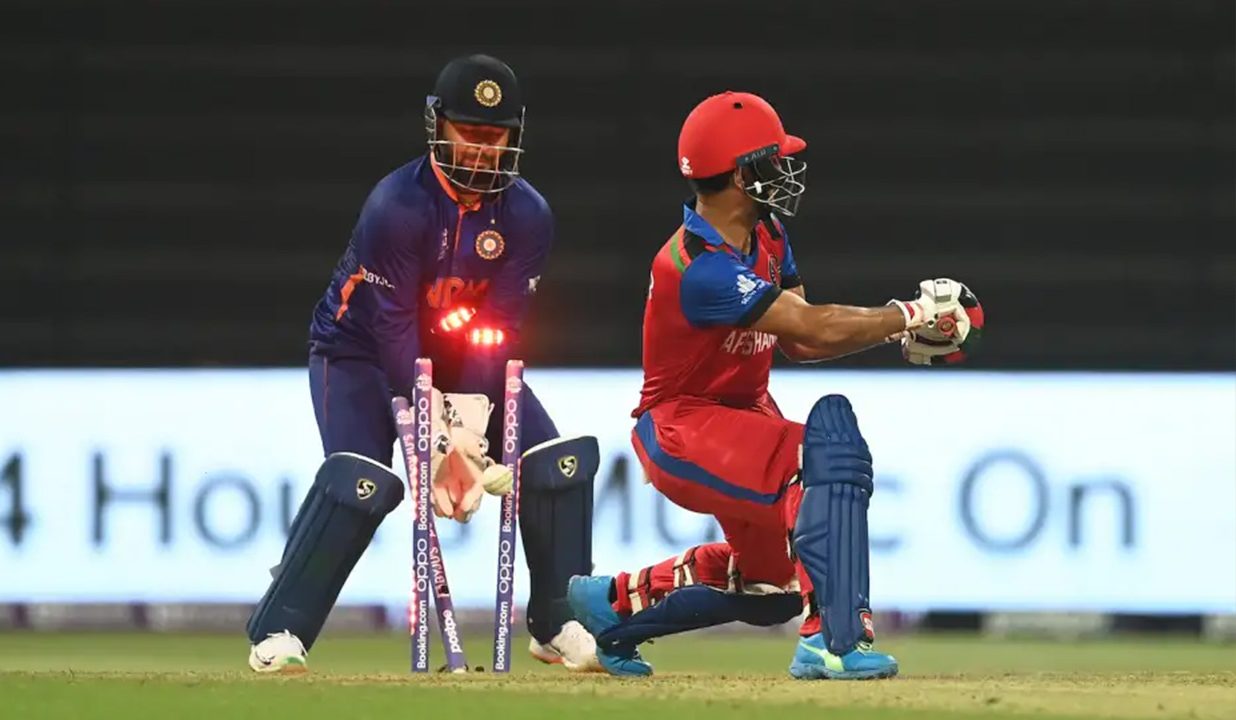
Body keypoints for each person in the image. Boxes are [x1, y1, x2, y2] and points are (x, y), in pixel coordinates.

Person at [564, 90, 983, 679]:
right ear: (742, 173)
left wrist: (892, 330)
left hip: (742, 417)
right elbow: (810, 324)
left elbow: (803, 342)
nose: (785, 171)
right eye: (774, 159)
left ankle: (613, 605)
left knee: (772, 588)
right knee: (825, 450)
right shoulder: (697, 267)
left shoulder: (769, 237)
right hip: (681, 425)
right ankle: (833, 641)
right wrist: (908, 315)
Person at [244, 54, 601, 673]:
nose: (485, 150)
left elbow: (503, 333)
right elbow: (391, 331)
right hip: (357, 354)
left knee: (557, 465)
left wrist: (469, 433)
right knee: (361, 481)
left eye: (497, 137)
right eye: (472, 133)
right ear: (437, 125)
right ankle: (279, 631)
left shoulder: (528, 216)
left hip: (463, 357)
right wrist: (436, 446)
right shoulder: (397, 207)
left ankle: (556, 622)